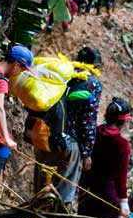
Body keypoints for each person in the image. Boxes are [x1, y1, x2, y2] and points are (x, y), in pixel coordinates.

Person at [14, 45, 82, 207]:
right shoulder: (56, 94)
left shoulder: (41, 94)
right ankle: (54, 213)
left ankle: (39, 206)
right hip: (58, 142)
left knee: (42, 175)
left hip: (41, 140)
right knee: (62, 181)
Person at [78, 97, 131, 218]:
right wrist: (123, 202)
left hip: (86, 187)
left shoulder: (93, 133)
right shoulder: (122, 145)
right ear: (123, 122)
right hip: (108, 195)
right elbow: (121, 177)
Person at [64, 46, 104, 171]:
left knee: (42, 184)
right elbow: (88, 121)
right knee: (63, 189)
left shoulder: (65, 75)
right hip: (70, 143)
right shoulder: (92, 84)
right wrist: (86, 153)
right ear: (95, 66)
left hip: (49, 135)